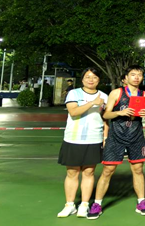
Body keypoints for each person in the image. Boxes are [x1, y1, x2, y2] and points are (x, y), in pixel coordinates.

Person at [87, 65, 145, 219]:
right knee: (108, 170)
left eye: (139, 75)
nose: (136, 77)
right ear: (125, 78)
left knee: (138, 170)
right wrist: (120, 112)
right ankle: (97, 204)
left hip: (136, 137)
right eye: (133, 74)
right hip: (116, 137)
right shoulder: (117, 93)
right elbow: (106, 115)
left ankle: (141, 202)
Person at [56, 67, 108, 218]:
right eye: (88, 77)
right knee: (72, 172)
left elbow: (105, 118)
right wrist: (93, 103)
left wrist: (105, 137)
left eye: (94, 77)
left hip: (94, 138)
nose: (91, 80)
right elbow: (73, 112)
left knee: (89, 172)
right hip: (73, 138)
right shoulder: (74, 93)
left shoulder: (104, 96)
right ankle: (69, 205)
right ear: (82, 79)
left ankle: (84, 205)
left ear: (99, 80)